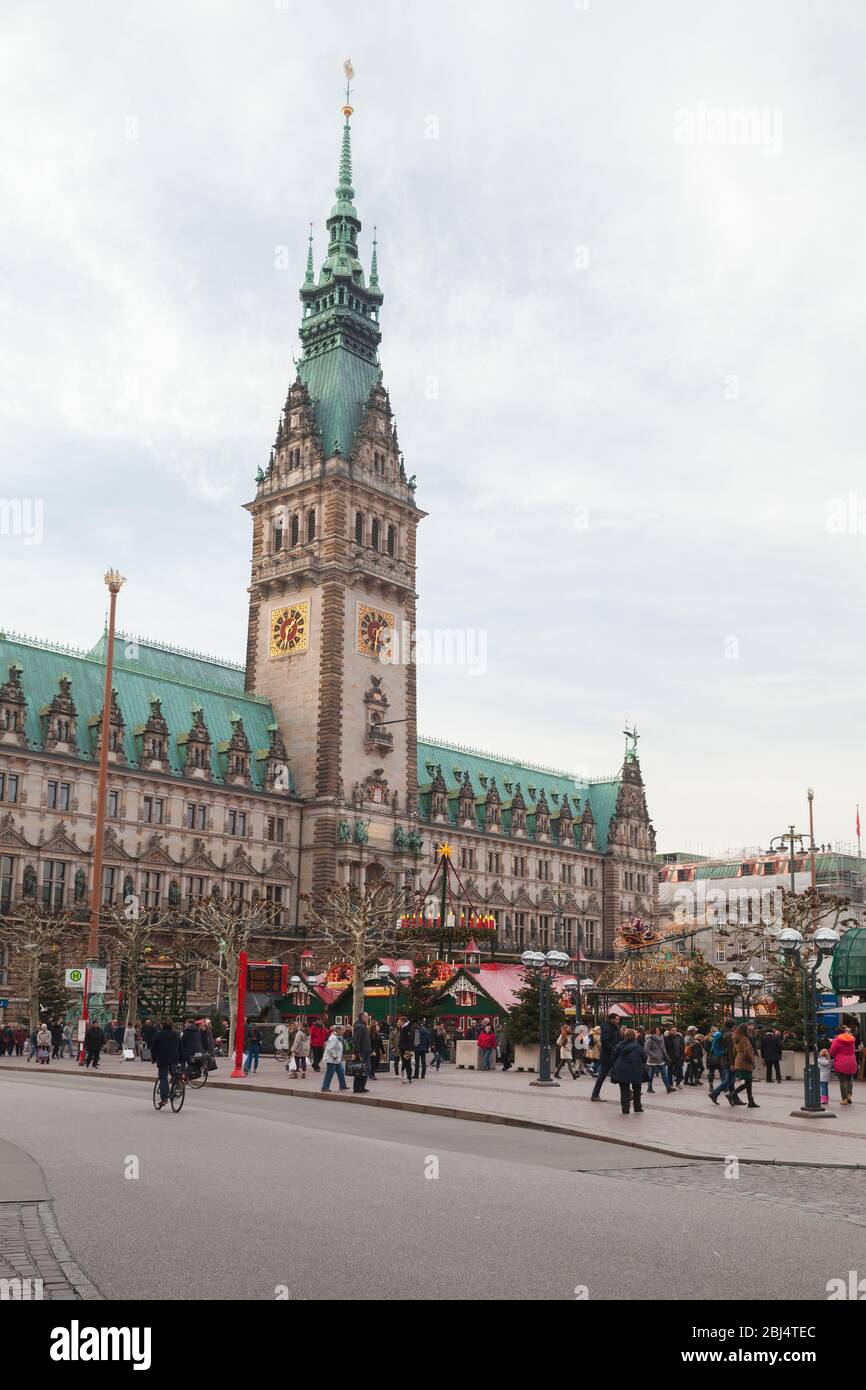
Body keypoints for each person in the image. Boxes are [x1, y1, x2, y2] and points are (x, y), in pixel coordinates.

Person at [611, 1027, 646, 1115]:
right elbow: (644, 1057)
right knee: (637, 1088)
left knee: (624, 1090)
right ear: (635, 1037)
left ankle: (625, 1109)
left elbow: (613, 1056)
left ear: (625, 1036)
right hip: (636, 1069)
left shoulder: (619, 1045)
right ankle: (637, 1107)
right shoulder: (638, 1046)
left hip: (622, 1070)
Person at [151, 1018, 183, 1107]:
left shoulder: (159, 1034)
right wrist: (181, 1059)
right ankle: (176, 1089)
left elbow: (154, 1048)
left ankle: (164, 1098)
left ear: (162, 1025)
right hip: (174, 1058)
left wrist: (153, 1058)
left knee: (163, 1078)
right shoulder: (176, 1034)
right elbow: (181, 1047)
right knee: (175, 1075)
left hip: (163, 1059)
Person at [590, 1012, 622, 1100]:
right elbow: (605, 1042)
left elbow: (618, 1039)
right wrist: (615, 1049)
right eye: (617, 1019)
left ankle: (629, 1092)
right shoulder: (608, 1028)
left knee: (619, 1073)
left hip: (613, 1055)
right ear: (611, 1019)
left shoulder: (614, 1028)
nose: (618, 1021)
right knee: (602, 1076)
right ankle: (595, 1095)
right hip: (608, 1056)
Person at [729, 1024, 758, 1108]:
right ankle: (731, 1094)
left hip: (739, 1061)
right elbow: (747, 1053)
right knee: (748, 1083)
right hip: (745, 1062)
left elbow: (734, 1051)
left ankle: (751, 1101)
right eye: (748, 1030)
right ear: (745, 1030)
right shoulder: (744, 1039)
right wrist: (752, 1061)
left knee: (748, 1082)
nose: (749, 1031)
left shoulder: (736, 1038)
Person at [709, 1021, 736, 1105]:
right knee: (730, 1080)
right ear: (732, 1026)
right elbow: (731, 1050)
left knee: (731, 1079)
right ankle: (715, 1093)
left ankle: (734, 1098)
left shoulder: (722, 1032)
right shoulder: (729, 1035)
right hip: (728, 1060)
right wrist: (732, 1063)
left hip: (723, 1058)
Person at [830, 1024, 857, 1104]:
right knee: (849, 1079)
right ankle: (849, 1094)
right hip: (852, 1062)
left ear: (836, 1034)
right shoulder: (852, 1039)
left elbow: (832, 1052)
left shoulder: (837, 1040)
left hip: (841, 1063)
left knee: (843, 1081)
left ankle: (844, 1099)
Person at [644, 1025, 674, 1093]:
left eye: (659, 1030)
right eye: (657, 1030)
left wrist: (666, 1055)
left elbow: (663, 1048)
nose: (658, 1031)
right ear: (653, 1031)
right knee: (651, 1075)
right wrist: (653, 1055)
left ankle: (668, 1087)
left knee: (664, 1074)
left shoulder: (662, 1038)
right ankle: (649, 1088)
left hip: (661, 1059)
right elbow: (646, 1049)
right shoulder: (650, 1039)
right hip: (652, 1060)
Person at [321, 1025, 348, 1092]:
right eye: (342, 1030)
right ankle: (325, 1087)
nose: (343, 1032)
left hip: (337, 1060)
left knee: (341, 1072)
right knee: (330, 1073)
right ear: (338, 1030)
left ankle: (343, 1086)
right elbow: (330, 1049)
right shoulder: (333, 1038)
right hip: (332, 1059)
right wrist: (335, 1056)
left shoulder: (338, 1037)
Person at [352, 1012, 371, 1093]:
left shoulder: (362, 1026)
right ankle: (358, 1087)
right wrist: (356, 1052)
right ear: (362, 1017)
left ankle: (361, 1087)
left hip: (365, 1051)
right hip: (362, 1051)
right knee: (361, 1069)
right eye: (366, 1017)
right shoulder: (360, 1026)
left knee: (364, 1069)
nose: (368, 1019)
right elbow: (356, 1040)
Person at [397, 1013, 415, 1084]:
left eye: (400, 1022)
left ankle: (409, 1078)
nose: (398, 1023)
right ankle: (408, 1077)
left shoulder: (408, 1028)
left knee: (407, 1063)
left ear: (403, 1022)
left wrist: (407, 1049)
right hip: (403, 1049)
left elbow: (410, 1039)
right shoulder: (403, 1028)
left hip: (406, 1049)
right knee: (405, 1063)